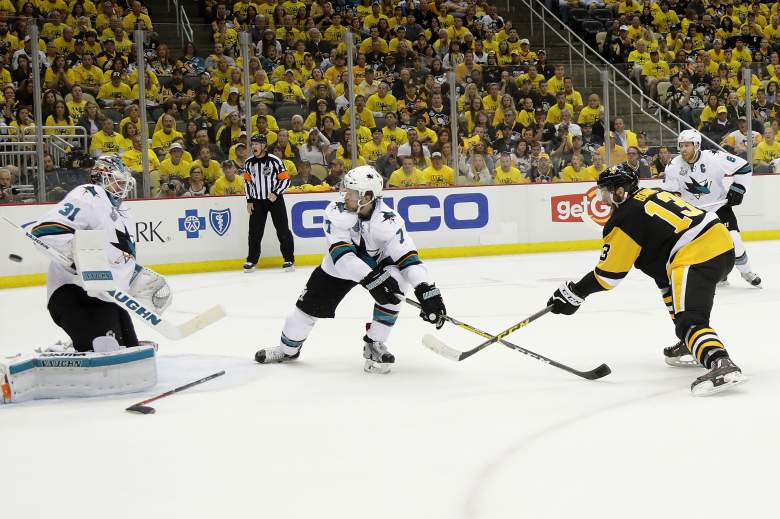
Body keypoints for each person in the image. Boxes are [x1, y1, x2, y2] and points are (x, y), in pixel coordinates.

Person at [546, 164, 746, 396]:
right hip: (721, 246)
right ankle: (693, 342)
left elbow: (609, 276)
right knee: (665, 282)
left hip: (696, 254)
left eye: (607, 191)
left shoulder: (625, 217)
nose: (604, 199)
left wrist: (576, 292)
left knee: (689, 320)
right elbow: (659, 258)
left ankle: (721, 363)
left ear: (621, 190)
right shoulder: (654, 193)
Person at [254, 165, 447, 374]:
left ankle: (374, 343)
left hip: (378, 265)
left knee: (399, 284)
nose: (345, 196)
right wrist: (373, 279)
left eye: (352, 193)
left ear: (369, 196)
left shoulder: (389, 220)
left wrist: (426, 290)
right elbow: (344, 259)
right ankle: (287, 350)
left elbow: (408, 258)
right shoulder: (334, 212)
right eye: (346, 190)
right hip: (338, 270)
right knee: (300, 317)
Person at [27, 156, 171, 351]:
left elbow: (115, 259)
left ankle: (79, 346)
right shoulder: (88, 195)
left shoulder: (124, 212)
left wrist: (134, 276)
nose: (122, 186)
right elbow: (45, 231)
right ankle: (65, 352)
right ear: (100, 177)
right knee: (107, 349)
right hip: (74, 293)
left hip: (105, 297)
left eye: (123, 181)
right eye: (117, 180)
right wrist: (83, 258)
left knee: (128, 347)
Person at [662, 129, 761, 287]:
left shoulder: (714, 157)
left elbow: (744, 167)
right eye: (681, 145)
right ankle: (719, 274)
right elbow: (670, 193)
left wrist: (739, 189)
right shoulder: (673, 166)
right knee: (700, 248)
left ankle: (746, 271)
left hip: (719, 208)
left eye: (687, 145)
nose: (683, 149)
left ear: (697, 145)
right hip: (694, 214)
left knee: (734, 240)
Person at [243, 134, 295, 273]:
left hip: (275, 200)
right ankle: (251, 260)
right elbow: (247, 183)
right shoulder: (248, 163)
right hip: (257, 201)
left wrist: (276, 193)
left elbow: (286, 180)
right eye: (252, 144)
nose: (254, 146)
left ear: (264, 146)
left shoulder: (275, 161)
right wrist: (249, 200)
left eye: (257, 144)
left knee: (282, 229)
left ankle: (289, 259)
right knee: (254, 232)